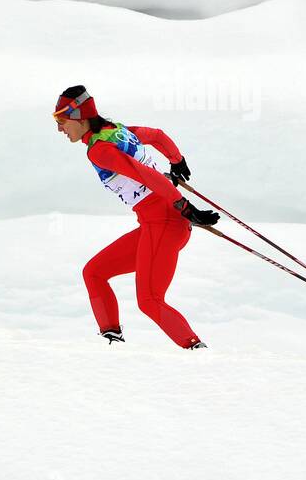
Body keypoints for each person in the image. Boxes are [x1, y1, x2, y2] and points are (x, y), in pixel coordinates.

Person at [54, 86, 219, 348]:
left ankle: (196, 351)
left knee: (150, 301)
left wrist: (184, 207)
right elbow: (157, 136)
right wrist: (176, 161)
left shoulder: (99, 150)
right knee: (94, 272)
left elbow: (145, 175)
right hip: (156, 223)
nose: (60, 129)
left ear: (79, 117)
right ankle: (112, 341)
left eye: (61, 121)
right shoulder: (116, 131)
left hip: (164, 223)